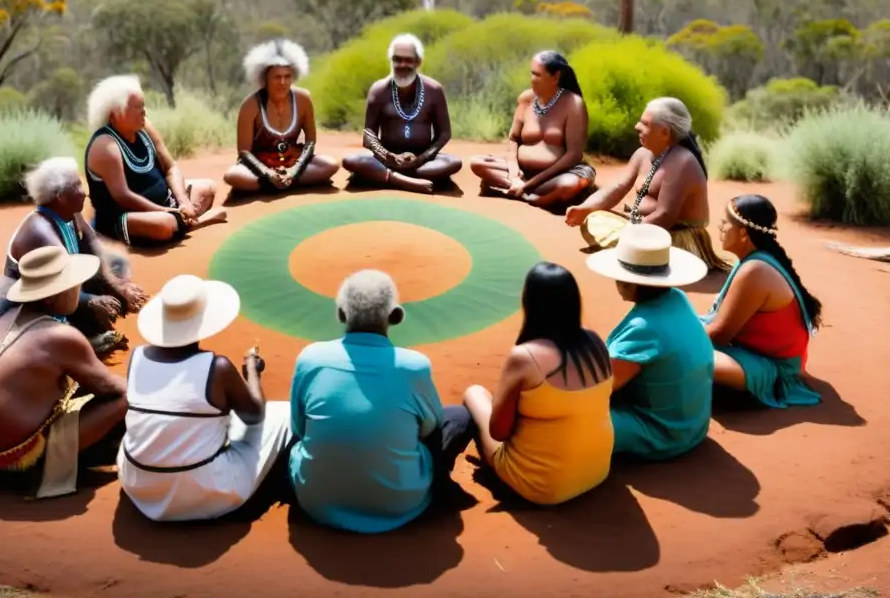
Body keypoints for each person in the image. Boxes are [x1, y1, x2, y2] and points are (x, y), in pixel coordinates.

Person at [288, 269, 474, 533]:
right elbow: (430, 428)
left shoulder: (310, 358)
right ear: (396, 316)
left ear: (341, 314)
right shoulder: (414, 366)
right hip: (400, 503)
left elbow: (298, 428)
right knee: (459, 417)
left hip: (315, 504)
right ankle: (437, 487)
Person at [0, 247, 128, 498]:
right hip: (15, 458)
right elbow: (117, 390)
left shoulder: (7, 317)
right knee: (127, 398)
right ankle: (54, 465)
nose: (78, 289)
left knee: (83, 388)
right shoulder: (61, 336)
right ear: (51, 297)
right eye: (73, 285)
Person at [117, 274, 292, 522]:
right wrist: (252, 371)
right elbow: (254, 415)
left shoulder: (137, 357)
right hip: (202, 493)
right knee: (283, 414)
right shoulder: (216, 367)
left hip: (140, 487)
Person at [463, 262, 614, 505]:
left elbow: (499, 432)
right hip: (597, 471)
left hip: (543, 487)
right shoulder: (595, 342)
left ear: (530, 303)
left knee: (475, 393)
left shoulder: (525, 357)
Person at [0, 157, 148, 356]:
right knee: (87, 301)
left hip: (68, 281)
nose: (84, 192)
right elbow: (60, 287)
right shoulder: (41, 232)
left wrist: (116, 285)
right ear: (60, 196)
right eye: (77, 185)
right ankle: (78, 342)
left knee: (116, 263)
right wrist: (92, 300)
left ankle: (87, 327)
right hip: (40, 298)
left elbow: (92, 245)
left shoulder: (69, 213)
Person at [585, 224, 714, 461]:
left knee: (566, 424)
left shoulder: (643, 329)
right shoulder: (677, 298)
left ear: (631, 282)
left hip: (665, 433)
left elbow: (601, 387)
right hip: (693, 424)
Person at [566, 96, 734, 272]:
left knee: (620, 237)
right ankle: (627, 249)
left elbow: (665, 216)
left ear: (665, 132)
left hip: (672, 237)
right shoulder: (642, 154)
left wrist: (629, 234)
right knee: (593, 219)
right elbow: (617, 187)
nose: (637, 127)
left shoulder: (682, 162)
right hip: (640, 227)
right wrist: (586, 208)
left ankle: (630, 252)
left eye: (645, 124)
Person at [701, 195, 823, 408]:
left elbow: (719, 335)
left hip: (773, 369)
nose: (720, 227)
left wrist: (678, 338)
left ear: (743, 233)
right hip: (747, 352)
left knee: (685, 355)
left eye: (726, 222)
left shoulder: (755, 271)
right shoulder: (752, 261)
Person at [84, 74, 226, 246]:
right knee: (163, 225)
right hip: (129, 215)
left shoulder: (144, 126)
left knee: (206, 188)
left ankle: (183, 221)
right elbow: (124, 197)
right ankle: (187, 222)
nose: (144, 111)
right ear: (116, 114)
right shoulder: (105, 145)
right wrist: (168, 211)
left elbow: (171, 167)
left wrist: (183, 202)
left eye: (143, 105)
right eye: (137, 107)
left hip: (166, 204)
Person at [470, 51, 594, 209]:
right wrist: (514, 175)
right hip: (522, 172)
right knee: (477, 163)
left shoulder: (574, 104)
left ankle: (528, 195)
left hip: (557, 174)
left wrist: (529, 184)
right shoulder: (526, 99)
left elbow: (574, 155)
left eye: (537, 75)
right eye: (531, 74)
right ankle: (527, 192)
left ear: (555, 77)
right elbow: (513, 139)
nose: (531, 80)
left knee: (569, 184)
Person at [341, 34, 462, 194]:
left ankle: (384, 176)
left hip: (422, 159)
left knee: (454, 162)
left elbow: (444, 134)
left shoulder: (434, 90)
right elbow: (368, 134)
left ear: (418, 62)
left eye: (408, 60)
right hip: (387, 158)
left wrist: (422, 158)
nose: (402, 64)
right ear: (391, 61)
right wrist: (388, 156)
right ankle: (404, 180)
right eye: (397, 59)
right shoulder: (379, 90)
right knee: (351, 160)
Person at [223, 39, 340, 194]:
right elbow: (244, 152)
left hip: (293, 161)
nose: (283, 82)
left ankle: (282, 182)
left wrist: (295, 170)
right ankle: (281, 182)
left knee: (330, 165)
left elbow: (310, 142)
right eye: (277, 77)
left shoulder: (303, 99)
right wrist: (267, 173)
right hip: (261, 165)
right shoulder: (250, 105)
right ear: (265, 79)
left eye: (287, 76)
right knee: (232, 176)